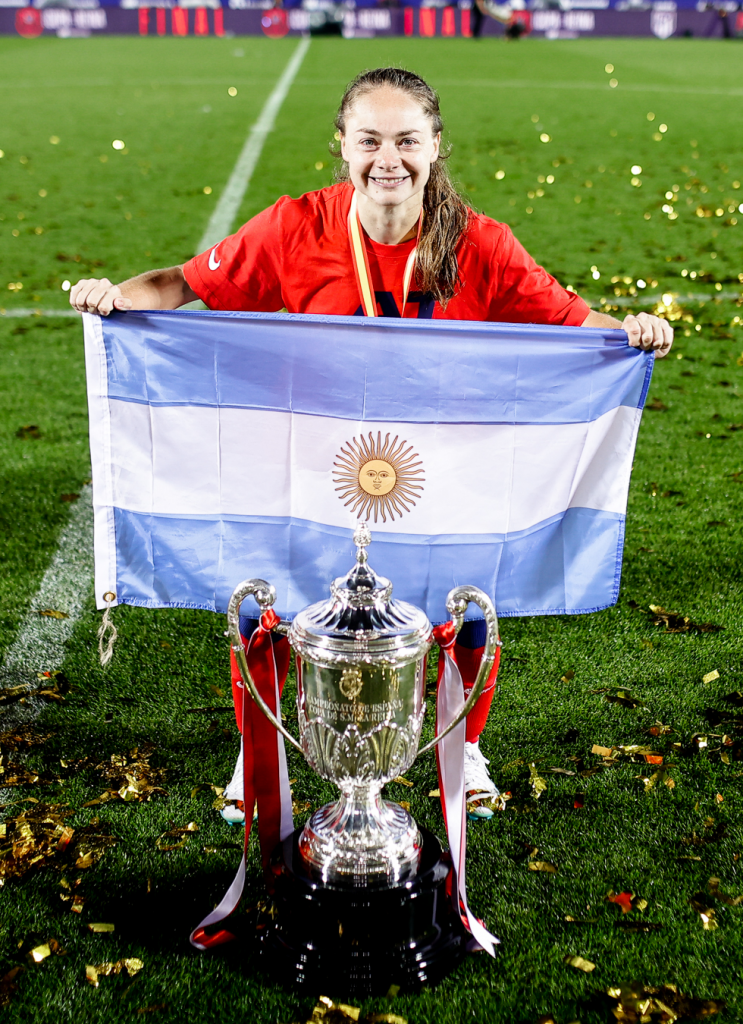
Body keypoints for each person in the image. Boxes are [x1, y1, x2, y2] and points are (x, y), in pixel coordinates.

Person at [71, 67, 674, 819]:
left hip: (437, 464)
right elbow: (180, 284)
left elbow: (569, 324)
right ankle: (257, 746)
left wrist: (631, 333)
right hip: (315, 457)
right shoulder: (296, 227)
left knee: (466, 604)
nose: (387, 158)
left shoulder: (479, 242)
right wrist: (116, 297)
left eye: (406, 140)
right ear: (343, 146)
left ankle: (463, 743)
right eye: (369, 140)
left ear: (434, 146)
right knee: (272, 602)